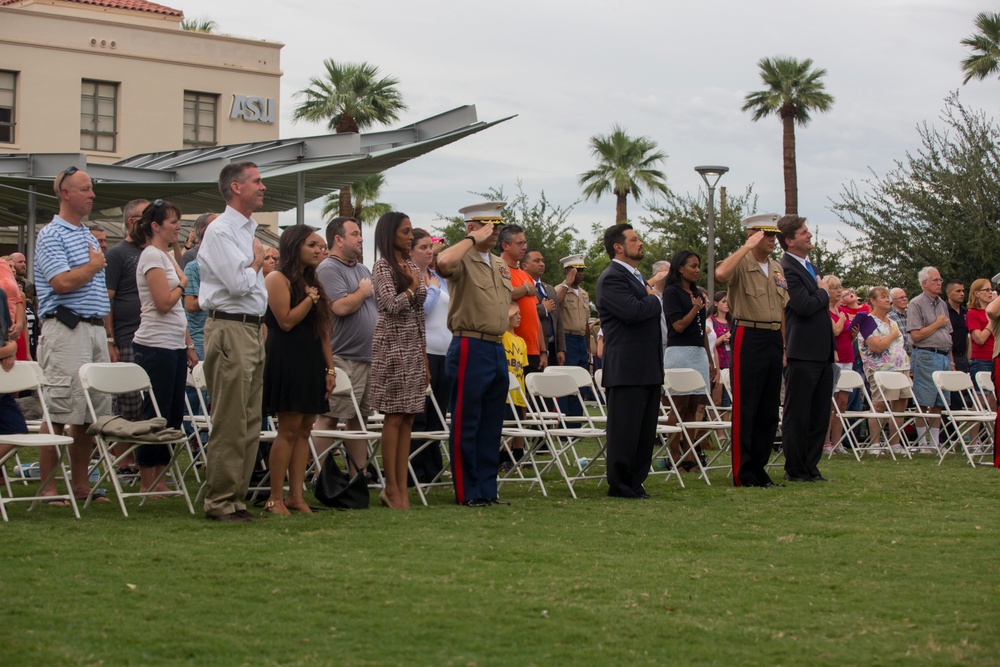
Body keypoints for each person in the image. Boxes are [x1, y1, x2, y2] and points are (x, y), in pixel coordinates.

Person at [34, 166, 111, 504]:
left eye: (91, 188)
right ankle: (48, 486)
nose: (91, 194)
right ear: (65, 193)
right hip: (66, 330)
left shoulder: (88, 235)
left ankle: (81, 486)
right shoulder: (52, 234)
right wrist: (94, 266)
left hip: (93, 330)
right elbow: (61, 283)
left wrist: (106, 336)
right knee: (59, 410)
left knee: (88, 416)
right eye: (84, 189)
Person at [197, 161, 267, 523]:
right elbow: (238, 285)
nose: (263, 186)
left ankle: (237, 499)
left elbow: (250, 287)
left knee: (251, 417)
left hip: (251, 328)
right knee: (230, 417)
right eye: (256, 181)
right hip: (229, 329)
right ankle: (221, 500)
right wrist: (256, 262)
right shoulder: (221, 230)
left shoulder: (248, 229)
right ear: (236, 188)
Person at [435, 202, 510, 507]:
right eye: (487, 225)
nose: (494, 231)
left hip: (495, 345)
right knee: (467, 421)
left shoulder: (499, 264)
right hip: (469, 343)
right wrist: (471, 240)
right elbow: (442, 263)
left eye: (497, 225)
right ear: (472, 227)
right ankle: (468, 491)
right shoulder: (463, 257)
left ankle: (487, 490)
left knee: (492, 424)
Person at [261, 226, 335, 516]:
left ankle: (296, 496)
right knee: (288, 430)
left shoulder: (311, 281)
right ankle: (274, 498)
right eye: (312, 245)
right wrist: (310, 299)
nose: (318, 250)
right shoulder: (277, 278)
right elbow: (287, 321)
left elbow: (323, 331)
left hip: (312, 359)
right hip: (287, 358)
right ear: (295, 247)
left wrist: (330, 369)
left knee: (305, 429)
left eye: (320, 245)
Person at [131, 198, 199, 494]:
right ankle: (148, 478)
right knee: (154, 414)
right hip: (154, 344)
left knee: (171, 414)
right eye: (173, 222)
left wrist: (188, 344)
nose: (178, 227)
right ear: (156, 226)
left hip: (173, 344)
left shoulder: (167, 256)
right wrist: (183, 284)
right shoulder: (150, 256)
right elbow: (163, 303)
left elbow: (179, 311)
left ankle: (161, 474)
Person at [714, 213, 787, 488]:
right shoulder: (741, 262)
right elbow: (720, 275)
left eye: (773, 234)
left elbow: (781, 310)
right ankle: (743, 472)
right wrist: (745, 247)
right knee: (747, 406)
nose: (771, 239)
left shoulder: (777, 267)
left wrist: (783, 346)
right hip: (748, 331)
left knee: (769, 409)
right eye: (765, 234)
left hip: (771, 337)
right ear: (751, 235)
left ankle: (759, 468)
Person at [596, 223, 663, 499]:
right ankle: (621, 484)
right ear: (618, 247)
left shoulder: (636, 277)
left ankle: (636, 481)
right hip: (627, 366)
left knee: (644, 430)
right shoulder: (612, 277)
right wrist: (654, 299)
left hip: (647, 364)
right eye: (634, 239)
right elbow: (632, 311)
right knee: (625, 430)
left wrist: (649, 296)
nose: (640, 243)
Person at [369, 212, 427, 510]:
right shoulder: (381, 266)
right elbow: (389, 305)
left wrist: (424, 357)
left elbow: (418, 314)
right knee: (393, 417)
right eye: (405, 231)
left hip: (414, 346)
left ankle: (401, 486)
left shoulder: (411, 265)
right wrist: (412, 287)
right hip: (392, 346)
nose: (409, 236)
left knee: (408, 417)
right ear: (390, 233)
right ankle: (390, 487)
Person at [314, 216, 376, 475]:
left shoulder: (362, 270)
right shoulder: (329, 268)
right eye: (355, 234)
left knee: (358, 421)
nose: (361, 238)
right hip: (342, 358)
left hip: (366, 358)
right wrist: (362, 293)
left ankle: (357, 476)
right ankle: (319, 475)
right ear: (338, 240)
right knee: (329, 417)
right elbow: (339, 307)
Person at [778, 214, 835, 483]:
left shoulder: (809, 265)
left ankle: (811, 466)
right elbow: (802, 304)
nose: (809, 234)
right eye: (803, 232)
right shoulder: (787, 267)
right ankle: (796, 468)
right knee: (799, 413)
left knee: (819, 413)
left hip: (822, 352)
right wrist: (823, 292)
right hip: (803, 351)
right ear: (789, 241)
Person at [661, 250, 715, 472]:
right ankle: (675, 454)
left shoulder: (698, 294)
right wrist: (695, 308)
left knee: (695, 405)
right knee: (679, 405)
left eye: (698, 266)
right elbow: (678, 326)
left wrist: (710, 360)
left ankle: (690, 454)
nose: (697, 270)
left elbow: (701, 331)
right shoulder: (672, 292)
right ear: (680, 268)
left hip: (698, 354)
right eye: (692, 266)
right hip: (679, 354)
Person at [104, 198, 148, 471]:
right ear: (132, 221)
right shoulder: (117, 254)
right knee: (128, 403)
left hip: (150, 337)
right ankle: (122, 461)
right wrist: (111, 340)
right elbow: (107, 300)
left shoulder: (153, 252)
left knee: (146, 405)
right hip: (127, 336)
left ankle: (139, 459)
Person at [409, 228, 449, 483]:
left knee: (438, 415)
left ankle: (433, 469)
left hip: (445, 351)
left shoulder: (436, 276)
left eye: (430, 247)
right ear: (410, 250)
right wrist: (432, 290)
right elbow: (418, 310)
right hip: (422, 351)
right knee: (419, 416)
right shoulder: (410, 277)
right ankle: (414, 470)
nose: (429, 251)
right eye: (423, 247)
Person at [860, 286, 911, 453]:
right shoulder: (867, 321)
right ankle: (875, 444)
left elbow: (900, 346)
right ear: (873, 301)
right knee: (879, 404)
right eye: (883, 297)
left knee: (900, 404)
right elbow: (876, 347)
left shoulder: (893, 322)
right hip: (880, 369)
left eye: (887, 296)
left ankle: (895, 443)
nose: (887, 299)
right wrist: (893, 335)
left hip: (900, 368)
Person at [906, 266, 952, 451]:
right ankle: (922, 442)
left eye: (940, 280)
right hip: (925, 355)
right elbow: (916, 335)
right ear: (924, 283)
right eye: (935, 280)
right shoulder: (916, 303)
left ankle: (935, 442)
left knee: (940, 401)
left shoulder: (942, 304)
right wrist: (937, 324)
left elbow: (948, 333)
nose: (939, 283)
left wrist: (951, 360)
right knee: (924, 400)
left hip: (943, 356)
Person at [499, 225, 544, 373]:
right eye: (519, 243)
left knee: (533, 395)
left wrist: (543, 350)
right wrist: (524, 289)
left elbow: (535, 316)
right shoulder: (498, 268)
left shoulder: (526, 276)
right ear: (505, 245)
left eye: (525, 243)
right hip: (511, 348)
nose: (524, 247)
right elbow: (500, 294)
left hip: (532, 350)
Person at [555, 254, 590, 414]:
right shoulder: (559, 289)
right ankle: (564, 424)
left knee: (580, 382)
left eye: (582, 270)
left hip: (581, 339)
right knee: (566, 382)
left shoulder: (583, 294)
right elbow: (555, 305)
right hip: (567, 339)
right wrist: (566, 285)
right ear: (567, 271)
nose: (580, 273)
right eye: (577, 270)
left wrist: (588, 348)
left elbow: (586, 323)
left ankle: (575, 423)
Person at [521, 249, 565, 366]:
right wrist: (544, 309)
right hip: (535, 346)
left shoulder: (549, 288)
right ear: (525, 266)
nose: (541, 264)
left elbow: (558, 320)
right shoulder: (522, 288)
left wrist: (561, 349)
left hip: (553, 347)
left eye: (542, 261)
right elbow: (525, 313)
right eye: (536, 261)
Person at [824, 275, 851, 454]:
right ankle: (825, 442)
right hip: (833, 358)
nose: (840, 292)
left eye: (840, 288)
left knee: (842, 403)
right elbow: (835, 330)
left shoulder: (842, 310)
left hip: (848, 357)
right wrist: (841, 319)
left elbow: (847, 333)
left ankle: (837, 441)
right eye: (835, 289)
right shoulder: (825, 310)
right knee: (829, 403)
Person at [502, 302, 529, 468]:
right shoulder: (502, 336)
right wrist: (505, 314)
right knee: (508, 426)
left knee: (520, 424)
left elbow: (523, 371)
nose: (519, 317)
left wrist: (524, 395)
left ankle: (519, 457)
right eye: (515, 314)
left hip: (518, 391)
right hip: (506, 393)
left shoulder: (521, 342)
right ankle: (504, 458)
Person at [966, 278, 996, 410]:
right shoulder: (973, 313)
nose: (990, 292)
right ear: (977, 293)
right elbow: (979, 339)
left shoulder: (994, 312)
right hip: (981, 360)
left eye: (991, 289)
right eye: (987, 290)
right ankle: (973, 431)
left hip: (995, 358)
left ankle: (992, 431)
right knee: (980, 402)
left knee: (994, 401)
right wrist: (992, 322)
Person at [708, 291, 733, 407]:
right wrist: (723, 337)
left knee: (728, 400)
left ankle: (726, 424)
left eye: (728, 301)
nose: (726, 304)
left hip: (730, 361)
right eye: (723, 301)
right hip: (719, 362)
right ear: (716, 304)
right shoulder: (711, 321)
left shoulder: (732, 321)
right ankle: (714, 423)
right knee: (717, 400)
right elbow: (711, 343)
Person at [888, 288, 912, 355]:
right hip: (899, 356)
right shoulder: (889, 317)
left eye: (905, 297)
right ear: (893, 300)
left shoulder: (910, 314)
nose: (905, 299)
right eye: (901, 297)